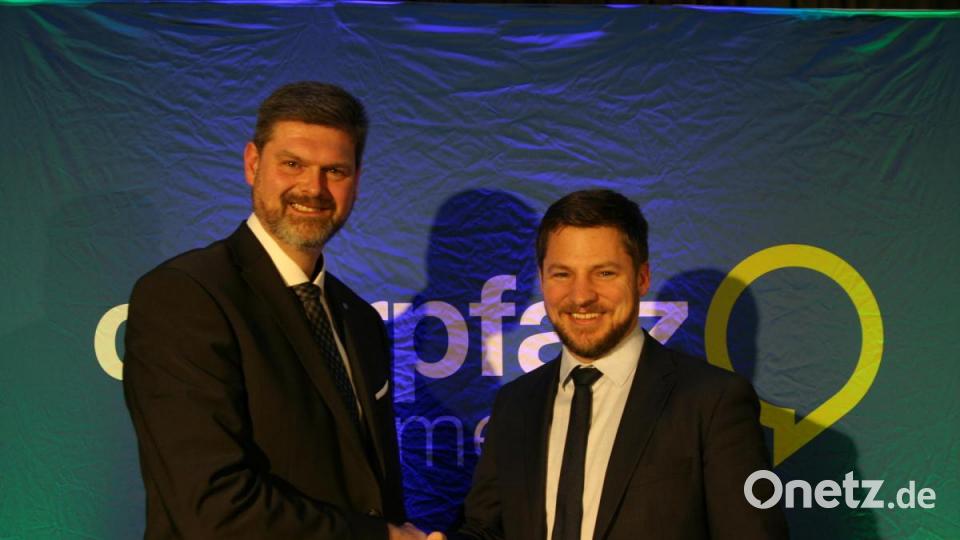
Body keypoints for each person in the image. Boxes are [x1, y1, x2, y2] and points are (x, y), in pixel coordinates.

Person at [123, 82, 425, 539]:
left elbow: (371, 490)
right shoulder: (186, 296)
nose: (313, 187)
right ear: (252, 163)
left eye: (335, 170)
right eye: (292, 164)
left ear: (357, 181)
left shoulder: (359, 319)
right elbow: (212, 506)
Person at [446, 189, 788, 540]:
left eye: (604, 273)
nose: (581, 296)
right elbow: (486, 530)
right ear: (541, 278)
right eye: (562, 274)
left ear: (641, 278)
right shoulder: (515, 404)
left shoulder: (712, 402)